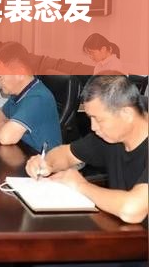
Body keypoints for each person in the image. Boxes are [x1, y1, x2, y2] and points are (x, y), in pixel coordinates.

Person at [25, 75, 148, 224]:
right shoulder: (108, 135)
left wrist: (81, 185)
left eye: (99, 119)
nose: (93, 127)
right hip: (121, 228)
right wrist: (46, 163)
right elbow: (66, 154)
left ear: (126, 114)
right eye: (90, 118)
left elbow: (132, 210)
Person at [0, 41, 62, 151]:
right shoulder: (18, 93)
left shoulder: (38, 98)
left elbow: (5, 137)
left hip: (41, 159)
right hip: (22, 152)